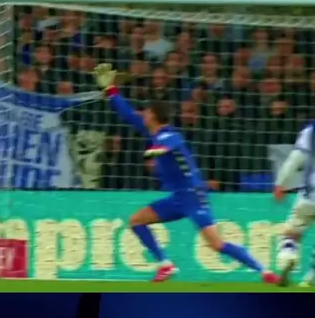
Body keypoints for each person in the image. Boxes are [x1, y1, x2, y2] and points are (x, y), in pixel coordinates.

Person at [93, 63, 279, 284]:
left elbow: (170, 144)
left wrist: (156, 151)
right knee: (136, 221)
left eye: (146, 112)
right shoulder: (153, 132)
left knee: (217, 244)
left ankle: (264, 271)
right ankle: (165, 264)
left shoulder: (170, 135)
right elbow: (128, 115)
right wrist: (112, 91)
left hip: (193, 196)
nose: (142, 115)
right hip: (178, 197)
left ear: (153, 116)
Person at [274, 120, 315, 286]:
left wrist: (280, 183)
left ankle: (288, 254)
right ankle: (312, 276)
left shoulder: (311, 131)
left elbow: (294, 160)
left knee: (293, 231)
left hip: (309, 195)